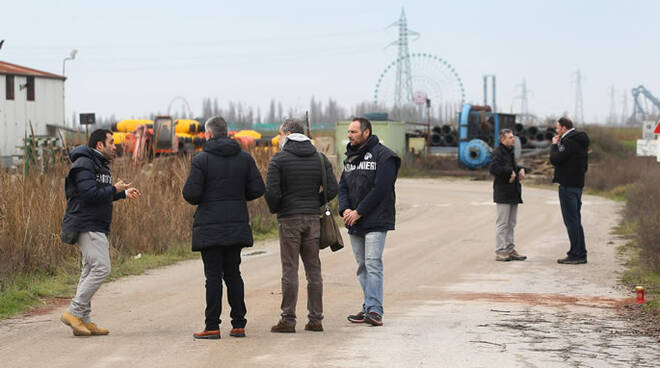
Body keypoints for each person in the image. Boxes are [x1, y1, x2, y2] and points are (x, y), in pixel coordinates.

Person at [182, 116, 265, 339]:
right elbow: (258, 189)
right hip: (236, 224)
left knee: (213, 277)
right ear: (227, 132)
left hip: (209, 226)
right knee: (233, 274)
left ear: (208, 134)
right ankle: (238, 324)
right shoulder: (244, 158)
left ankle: (212, 326)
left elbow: (191, 194)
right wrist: (238, 196)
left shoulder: (202, 159)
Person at [60, 129, 141, 336]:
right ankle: (73, 312)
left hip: (96, 224)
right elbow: (88, 194)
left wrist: (121, 194)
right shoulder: (84, 164)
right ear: (99, 145)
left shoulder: (98, 165)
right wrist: (114, 189)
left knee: (88, 270)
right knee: (101, 268)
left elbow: (100, 194)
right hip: (86, 224)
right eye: (111, 142)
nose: (115, 146)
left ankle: (83, 320)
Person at [265, 118, 338, 333]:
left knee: (290, 269)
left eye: (280, 134)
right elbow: (333, 188)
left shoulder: (279, 159)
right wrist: (314, 202)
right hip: (313, 219)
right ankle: (316, 319)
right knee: (313, 270)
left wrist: (279, 207)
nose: (279, 138)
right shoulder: (319, 158)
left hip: (289, 220)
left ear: (287, 134)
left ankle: (288, 319)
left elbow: (271, 192)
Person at [338, 117, 400, 327]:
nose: (349, 135)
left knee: (373, 263)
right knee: (362, 266)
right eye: (349, 132)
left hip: (376, 220)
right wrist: (345, 209)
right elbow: (343, 187)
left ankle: (375, 310)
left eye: (354, 132)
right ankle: (367, 307)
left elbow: (380, 189)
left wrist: (359, 212)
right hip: (354, 221)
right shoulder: (350, 157)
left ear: (366, 133)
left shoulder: (385, 156)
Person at [550, 117, 590, 264]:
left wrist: (554, 145)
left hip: (567, 185)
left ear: (564, 128)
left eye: (557, 128)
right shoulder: (580, 140)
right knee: (576, 220)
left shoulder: (568, 141)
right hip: (577, 184)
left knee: (571, 221)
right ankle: (580, 252)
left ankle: (576, 254)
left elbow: (555, 159)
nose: (556, 130)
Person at [489, 129, 527, 262]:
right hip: (503, 192)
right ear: (502, 140)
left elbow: (513, 166)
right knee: (503, 223)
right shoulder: (498, 153)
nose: (513, 140)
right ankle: (500, 250)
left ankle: (510, 249)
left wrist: (521, 169)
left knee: (511, 223)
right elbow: (493, 168)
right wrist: (509, 172)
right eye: (510, 137)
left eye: (513, 137)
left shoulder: (509, 152)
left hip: (513, 192)